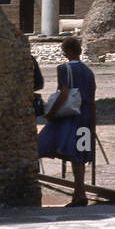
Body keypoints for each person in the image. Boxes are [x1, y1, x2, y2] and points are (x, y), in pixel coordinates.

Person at [37, 36, 96, 207]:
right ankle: (80, 193)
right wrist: (93, 123)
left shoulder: (64, 69)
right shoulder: (88, 71)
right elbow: (92, 99)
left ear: (68, 51)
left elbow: (64, 93)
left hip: (69, 115)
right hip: (85, 115)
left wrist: (51, 112)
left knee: (42, 145)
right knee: (79, 155)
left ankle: (79, 195)